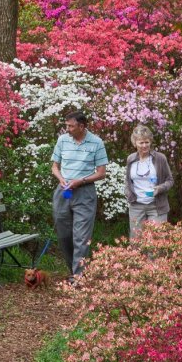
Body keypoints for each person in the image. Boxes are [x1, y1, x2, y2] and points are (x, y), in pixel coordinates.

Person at [50, 110, 107, 277]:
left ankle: (78, 277)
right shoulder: (62, 140)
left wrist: (80, 181)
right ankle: (73, 270)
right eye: (66, 125)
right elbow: (54, 166)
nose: (67, 129)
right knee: (64, 235)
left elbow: (101, 173)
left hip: (84, 193)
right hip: (64, 191)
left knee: (81, 238)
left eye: (71, 126)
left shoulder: (96, 143)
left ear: (82, 126)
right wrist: (61, 179)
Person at [124, 125, 173, 240]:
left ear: (150, 141)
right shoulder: (131, 159)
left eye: (147, 142)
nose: (144, 145)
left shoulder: (160, 158)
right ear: (135, 143)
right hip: (136, 205)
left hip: (156, 206)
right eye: (141, 143)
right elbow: (128, 180)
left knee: (156, 242)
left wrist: (159, 189)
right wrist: (128, 192)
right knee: (136, 241)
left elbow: (170, 180)